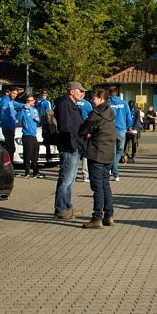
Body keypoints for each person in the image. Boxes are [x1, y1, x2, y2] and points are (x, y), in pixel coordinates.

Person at [79, 88, 116, 229]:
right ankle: (109, 215)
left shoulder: (96, 114)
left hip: (96, 153)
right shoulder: (110, 112)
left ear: (101, 98)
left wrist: (90, 133)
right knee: (105, 185)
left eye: (94, 98)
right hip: (108, 153)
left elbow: (82, 130)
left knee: (97, 186)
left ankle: (96, 217)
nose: (91, 100)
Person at [53, 82, 86, 220]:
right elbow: (66, 127)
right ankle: (61, 209)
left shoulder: (72, 104)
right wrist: (73, 143)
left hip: (74, 145)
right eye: (80, 91)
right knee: (65, 179)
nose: (82, 94)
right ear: (71, 91)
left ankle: (67, 206)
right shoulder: (64, 104)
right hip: (68, 146)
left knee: (69, 179)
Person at [108, 86, 132, 182]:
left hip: (110, 130)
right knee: (120, 150)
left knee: (112, 152)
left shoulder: (107, 104)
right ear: (117, 92)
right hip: (122, 130)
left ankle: (112, 169)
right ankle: (115, 171)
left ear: (109, 93)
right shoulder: (124, 103)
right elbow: (128, 117)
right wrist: (128, 126)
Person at [17, 94, 42, 178]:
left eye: (31, 101)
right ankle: (27, 172)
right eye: (28, 101)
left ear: (34, 101)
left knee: (35, 154)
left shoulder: (35, 110)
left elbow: (39, 120)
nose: (30, 102)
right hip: (27, 135)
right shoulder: (24, 110)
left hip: (34, 135)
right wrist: (23, 108)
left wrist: (38, 120)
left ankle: (35, 171)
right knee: (27, 154)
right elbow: (18, 118)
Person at [0, 86, 23, 162]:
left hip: (11, 128)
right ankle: (9, 166)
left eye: (16, 94)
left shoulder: (11, 101)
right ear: (9, 92)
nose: (15, 95)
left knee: (10, 148)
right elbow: (3, 115)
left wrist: (26, 105)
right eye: (13, 93)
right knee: (11, 148)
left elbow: (18, 104)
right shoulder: (5, 101)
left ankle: (8, 166)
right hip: (8, 128)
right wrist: (9, 126)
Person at [76, 95, 93, 182]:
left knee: (74, 152)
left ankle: (73, 174)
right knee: (85, 153)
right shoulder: (87, 104)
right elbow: (90, 118)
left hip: (73, 131)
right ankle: (85, 175)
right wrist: (89, 131)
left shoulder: (71, 103)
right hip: (84, 131)